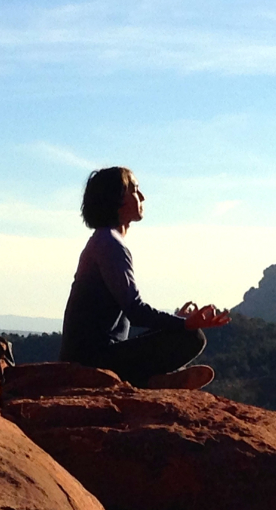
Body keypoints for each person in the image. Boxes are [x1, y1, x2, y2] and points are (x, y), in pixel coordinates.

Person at [59, 166, 230, 389]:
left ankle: (152, 380)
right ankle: (148, 382)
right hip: (92, 362)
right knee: (191, 338)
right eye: (135, 189)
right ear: (117, 198)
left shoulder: (104, 241)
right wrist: (185, 323)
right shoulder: (109, 244)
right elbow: (136, 311)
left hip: (92, 355)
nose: (142, 197)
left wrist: (174, 322)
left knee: (179, 331)